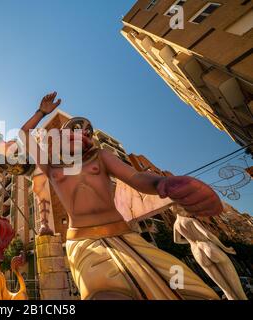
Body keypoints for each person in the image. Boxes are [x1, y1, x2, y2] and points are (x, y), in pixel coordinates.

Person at [18, 92, 222, 300]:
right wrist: (41, 112)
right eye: (74, 128)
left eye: (87, 131)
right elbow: (24, 133)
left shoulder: (101, 156)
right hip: (83, 244)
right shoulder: (51, 166)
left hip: (127, 237)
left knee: (186, 285)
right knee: (103, 292)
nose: (81, 132)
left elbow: (136, 178)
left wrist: (164, 184)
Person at [173, 207, 248, 300]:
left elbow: (177, 241)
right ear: (181, 209)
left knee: (227, 291)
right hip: (208, 246)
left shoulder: (176, 225)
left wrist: (190, 241)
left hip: (196, 251)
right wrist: (225, 248)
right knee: (237, 288)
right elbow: (208, 235)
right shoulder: (190, 220)